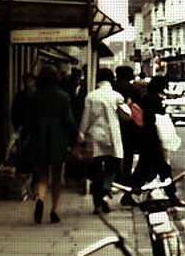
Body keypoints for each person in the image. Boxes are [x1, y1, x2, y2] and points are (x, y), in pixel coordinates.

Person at [21, 63, 78, 224]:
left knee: (42, 175)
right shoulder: (63, 96)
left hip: (39, 139)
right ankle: (54, 210)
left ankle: (40, 199)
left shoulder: (35, 97)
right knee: (58, 176)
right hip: (58, 139)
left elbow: (28, 121)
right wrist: (76, 135)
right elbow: (68, 120)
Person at [130, 76, 185, 207]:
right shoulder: (153, 100)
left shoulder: (147, 98)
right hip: (153, 139)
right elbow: (154, 120)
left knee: (146, 169)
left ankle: (130, 194)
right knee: (162, 169)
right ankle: (172, 197)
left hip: (148, 139)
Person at [77, 68, 125, 213]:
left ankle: (97, 202)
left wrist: (81, 132)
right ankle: (106, 191)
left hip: (95, 136)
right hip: (112, 136)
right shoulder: (117, 96)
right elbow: (125, 115)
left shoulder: (91, 97)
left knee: (96, 169)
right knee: (111, 168)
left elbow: (86, 117)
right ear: (111, 79)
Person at [114, 65, 145, 206]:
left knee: (112, 159)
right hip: (129, 129)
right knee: (127, 158)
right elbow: (140, 110)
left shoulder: (113, 88)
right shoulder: (134, 90)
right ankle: (127, 193)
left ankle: (110, 187)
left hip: (113, 128)